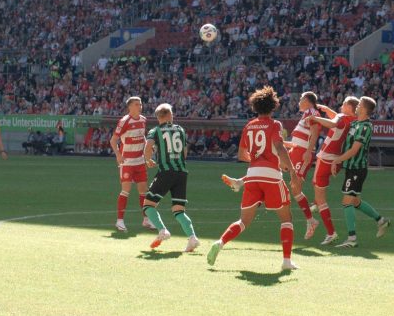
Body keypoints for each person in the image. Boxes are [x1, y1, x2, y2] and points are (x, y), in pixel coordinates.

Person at [208, 86, 298, 271]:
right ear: (273, 106)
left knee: (243, 221)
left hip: (252, 175)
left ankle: (220, 242)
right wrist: (293, 172)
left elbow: (242, 154)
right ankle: (287, 261)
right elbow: (280, 149)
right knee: (286, 218)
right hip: (272, 177)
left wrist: (259, 160)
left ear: (255, 106)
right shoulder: (275, 125)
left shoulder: (249, 126)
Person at [222, 91, 321, 239]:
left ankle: (311, 220)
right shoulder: (304, 114)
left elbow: (315, 131)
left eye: (301, 99)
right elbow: (293, 142)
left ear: (307, 100)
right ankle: (241, 183)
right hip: (295, 151)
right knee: (272, 171)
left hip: (301, 154)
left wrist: (308, 151)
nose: (299, 101)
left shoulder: (312, 112)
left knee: (295, 187)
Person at [333, 96, 391, 247]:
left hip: (357, 169)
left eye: (359, 104)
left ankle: (352, 239)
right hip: (351, 168)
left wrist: (337, 160)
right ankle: (381, 221)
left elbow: (354, 150)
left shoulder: (365, 127)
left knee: (346, 201)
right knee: (355, 202)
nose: (356, 106)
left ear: (364, 109)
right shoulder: (355, 123)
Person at [141, 103, 199, 253]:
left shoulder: (155, 131)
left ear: (158, 117)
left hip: (166, 172)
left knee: (148, 205)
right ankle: (192, 238)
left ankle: (162, 230)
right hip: (181, 172)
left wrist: (148, 160)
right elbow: (184, 153)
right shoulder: (180, 130)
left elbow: (148, 148)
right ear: (169, 115)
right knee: (179, 210)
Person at [308, 96, 359, 245]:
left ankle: (331, 232)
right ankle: (316, 204)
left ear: (349, 108)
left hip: (325, 158)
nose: (341, 106)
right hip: (337, 160)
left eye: (344, 104)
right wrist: (326, 110)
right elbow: (337, 120)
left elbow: (333, 123)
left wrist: (316, 118)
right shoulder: (352, 120)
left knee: (320, 195)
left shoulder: (342, 118)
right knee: (318, 187)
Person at [110, 97, 154, 233]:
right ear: (130, 106)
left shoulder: (143, 120)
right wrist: (118, 154)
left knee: (143, 190)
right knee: (126, 190)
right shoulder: (124, 121)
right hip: (127, 161)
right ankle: (120, 221)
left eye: (140, 103)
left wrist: (148, 149)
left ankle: (146, 219)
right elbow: (113, 140)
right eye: (137, 104)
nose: (140, 106)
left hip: (140, 161)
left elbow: (143, 137)